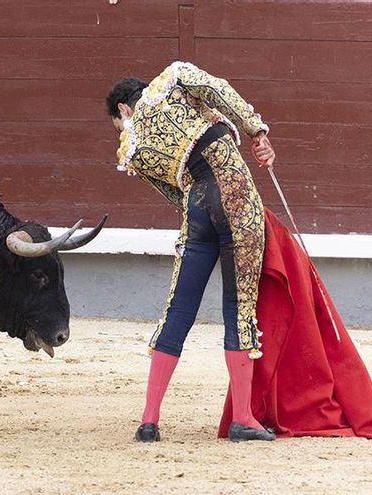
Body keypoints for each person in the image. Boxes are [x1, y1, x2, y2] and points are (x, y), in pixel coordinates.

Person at [105, 61, 277, 442]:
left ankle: (149, 420)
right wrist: (256, 130)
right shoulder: (175, 78)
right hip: (234, 193)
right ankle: (244, 418)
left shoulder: (133, 148)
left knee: (178, 309)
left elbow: (174, 195)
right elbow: (219, 90)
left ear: (123, 108)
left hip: (196, 209)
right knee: (239, 305)